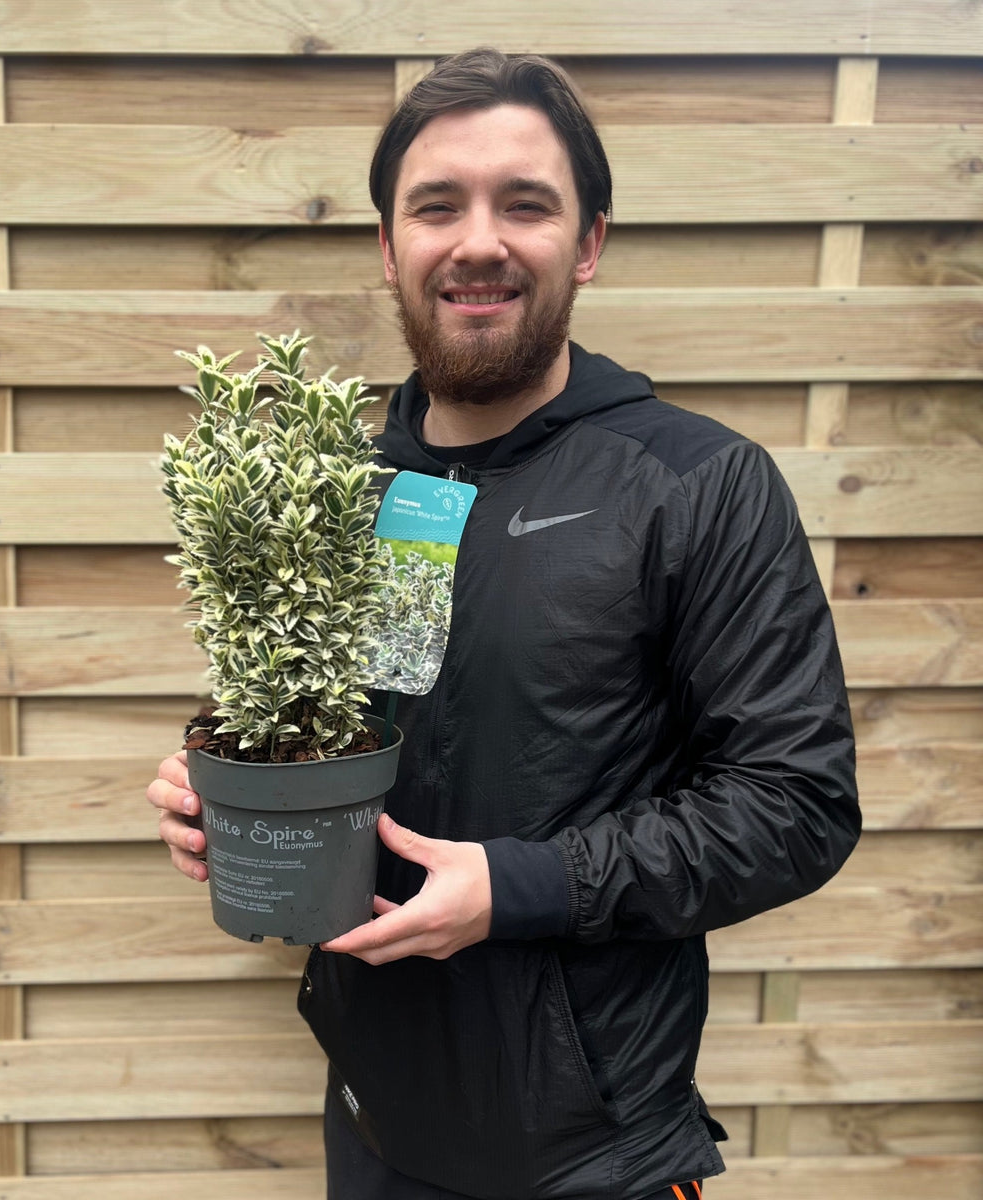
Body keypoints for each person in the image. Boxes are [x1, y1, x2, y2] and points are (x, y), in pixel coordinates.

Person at [148, 48, 860, 1200]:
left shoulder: (696, 485)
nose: (478, 240)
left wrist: (521, 887)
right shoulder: (352, 485)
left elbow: (798, 805)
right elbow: (349, 718)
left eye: (524, 203)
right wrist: (226, 781)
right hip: (371, 1123)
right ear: (390, 247)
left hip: (589, 1157)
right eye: (438, 206)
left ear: (588, 243)